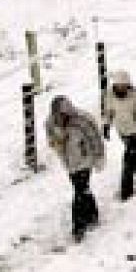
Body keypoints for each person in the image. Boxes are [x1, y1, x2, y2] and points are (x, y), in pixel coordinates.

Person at [46, 95, 106, 240]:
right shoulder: (50, 124)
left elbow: (95, 138)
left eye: (65, 114)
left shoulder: (83, 119)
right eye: (59, 115)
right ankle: (92, 215)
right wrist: (58, 141)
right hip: (69, 162)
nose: (62, 117)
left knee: (79, 190)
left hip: (85, 159)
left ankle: (78, 226)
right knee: (82, 188)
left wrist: (99, 157)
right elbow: (52, 142)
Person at [102, 69, 136, 201]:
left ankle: (126, 190)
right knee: (134, 153)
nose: (122, 87)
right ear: (115, 85)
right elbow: (108, 111)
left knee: (128, 157)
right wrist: (106, 125)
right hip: (122, 130)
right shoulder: (109, 95)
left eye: (125, 85)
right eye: (120, 85)